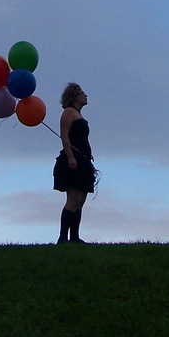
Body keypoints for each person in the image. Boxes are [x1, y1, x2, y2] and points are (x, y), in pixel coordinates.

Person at [53, 83, 95, 243]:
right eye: (82, 93)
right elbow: (64, 135)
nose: (85, 95)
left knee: (80, 201)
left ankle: (75, 237)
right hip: (73, 161)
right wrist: (70, 157)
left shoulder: (79, 115)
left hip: (84, 161)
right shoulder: (68, 112)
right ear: (74, 96)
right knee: (73, 199)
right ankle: (63, 238)